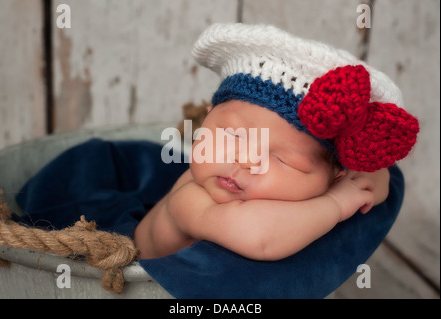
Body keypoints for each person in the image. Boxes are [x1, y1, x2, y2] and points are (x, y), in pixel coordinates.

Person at [134, 23, 419, 260]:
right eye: (232, 135)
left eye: (283, 160)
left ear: (334, 177)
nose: (246, 161)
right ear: (206, 121)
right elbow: (259, 238)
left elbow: (375, 182)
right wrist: (336, 202)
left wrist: (368, 178)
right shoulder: (192, 199)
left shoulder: (312, 188)